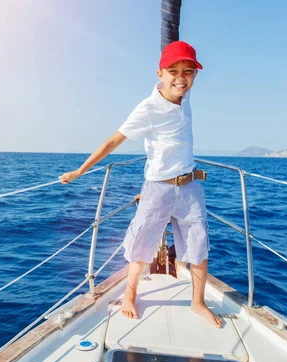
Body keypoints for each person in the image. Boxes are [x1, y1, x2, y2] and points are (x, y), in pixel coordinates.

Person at [59, 41, 223, 328]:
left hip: (190, 187)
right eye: (173, 71)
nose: (181, 78)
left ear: (195, 75)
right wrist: (80, 170)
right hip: (158, 188)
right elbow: (114, 140)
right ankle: (129, 294)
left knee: (199, 246)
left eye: (188, 72)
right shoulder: (148, 108)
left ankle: (198, 302)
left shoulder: (185, 99)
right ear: (159, 73)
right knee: (141, 245)